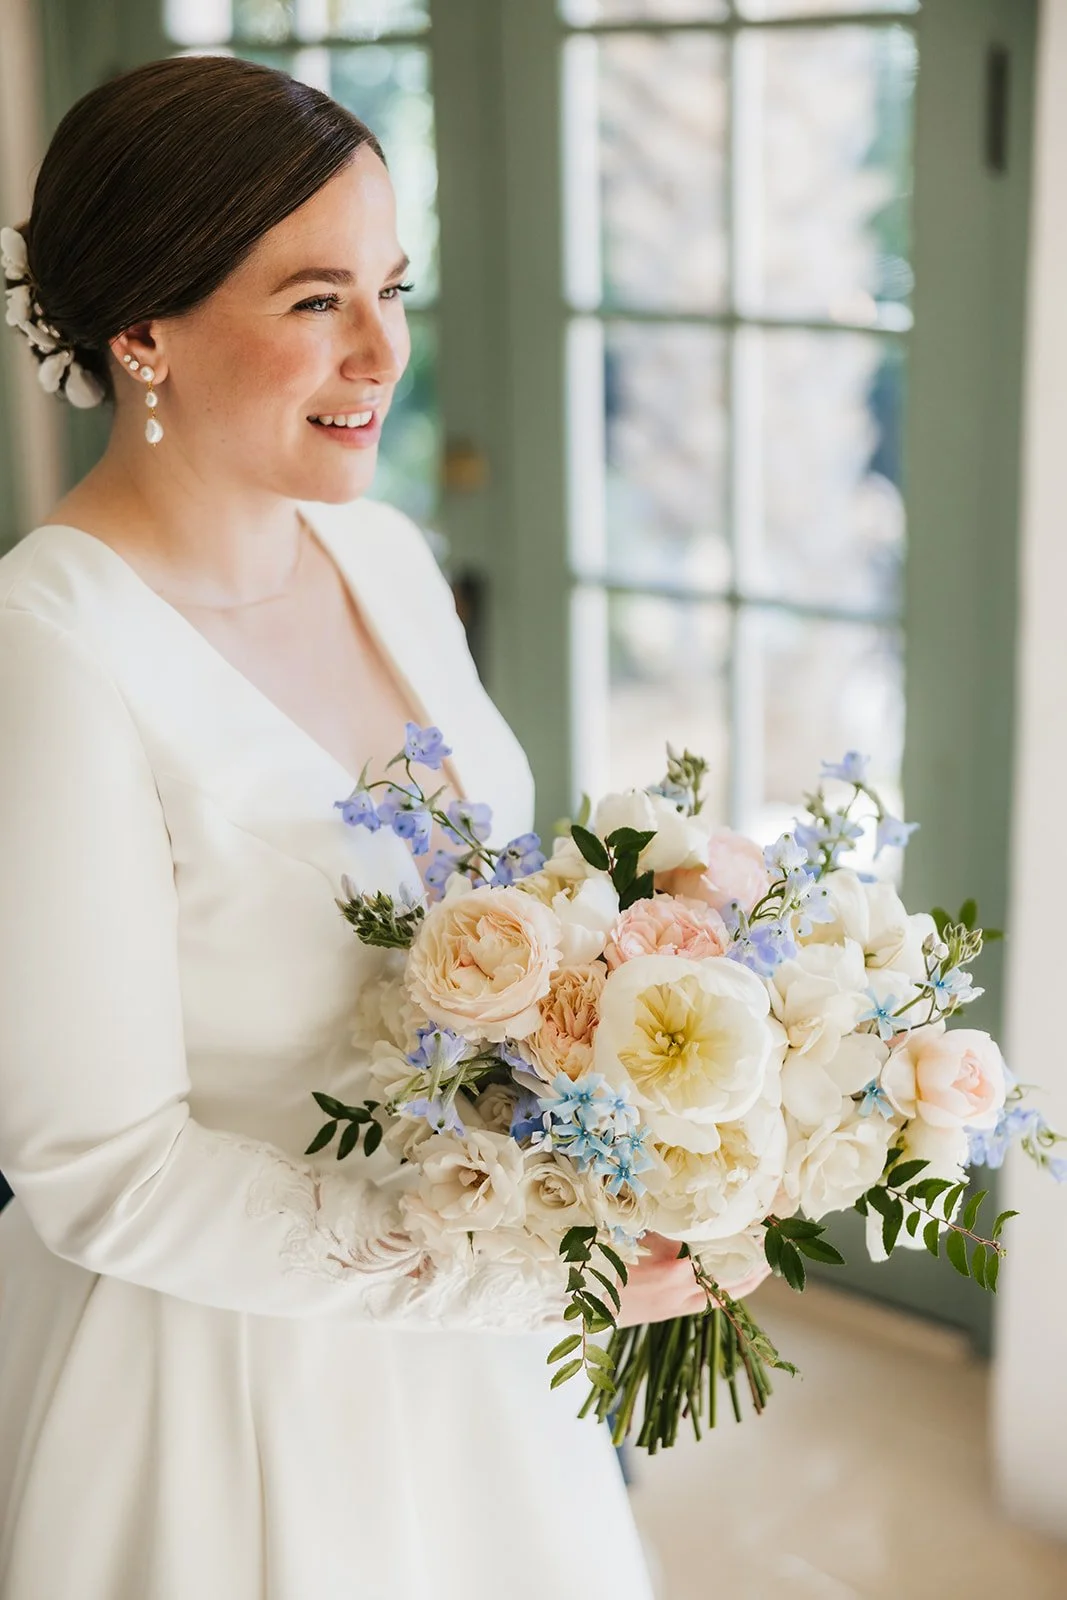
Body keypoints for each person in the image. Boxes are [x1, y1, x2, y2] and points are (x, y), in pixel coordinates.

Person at [0, 56, 708, 1598]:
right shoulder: (52, 651)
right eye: (316, 299)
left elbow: (480, 903)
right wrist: (517, 1266)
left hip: (487, 1369)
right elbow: (97, 1165)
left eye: (390, 285)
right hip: (229, 1389)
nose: (384, 348)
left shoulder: (381, 552)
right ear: (141, 334)